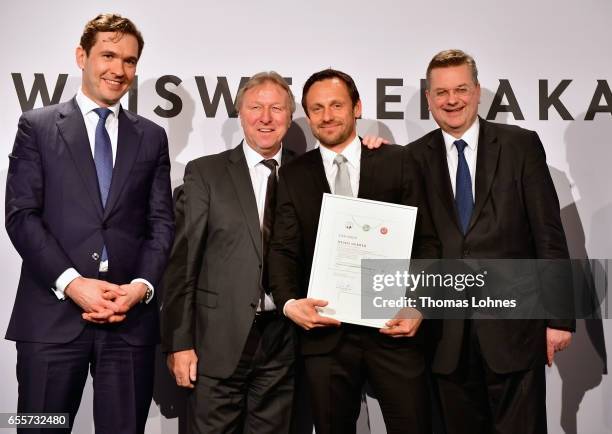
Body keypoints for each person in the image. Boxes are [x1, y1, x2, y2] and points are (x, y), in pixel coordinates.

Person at [4, 14, 174, 434]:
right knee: (37, 428)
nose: (119, 69)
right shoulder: (37, 127)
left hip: (127, 321)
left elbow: (161, 224)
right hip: (51, 316)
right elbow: (21, 216)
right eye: (109, 55)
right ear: (82, 56)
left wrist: (140, 288)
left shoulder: (152, 137)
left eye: (130, 61)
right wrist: (72, 283)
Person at [407, 49, 574, 434]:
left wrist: (559, 318)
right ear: (429, 98)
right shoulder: (413, 158)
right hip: (445, 336)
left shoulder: (520, 146)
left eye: (461, 89)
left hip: (514, 331)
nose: (452, 100)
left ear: (478, 91)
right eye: (442, 92)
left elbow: (548, 234)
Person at [267, 68, 439, 434]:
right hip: (325, 336)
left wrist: (419, 304)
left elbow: (427, 242)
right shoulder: (293, 174)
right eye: (316, 108)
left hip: (394, 330)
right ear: (308, 115)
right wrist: (288, 303)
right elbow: (283, 251)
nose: (327, 116)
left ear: (357, 107)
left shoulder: (398, 161)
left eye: (336, 105)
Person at [161, 72, 298, 433]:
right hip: (214, 346)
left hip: (284, 346)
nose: (265, 117)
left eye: (276, 108)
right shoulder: (205, 173)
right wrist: (179, 343)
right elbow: (182, 265)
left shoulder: (306, 172)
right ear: (241, 113)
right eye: (256, 107)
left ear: (290, 115)